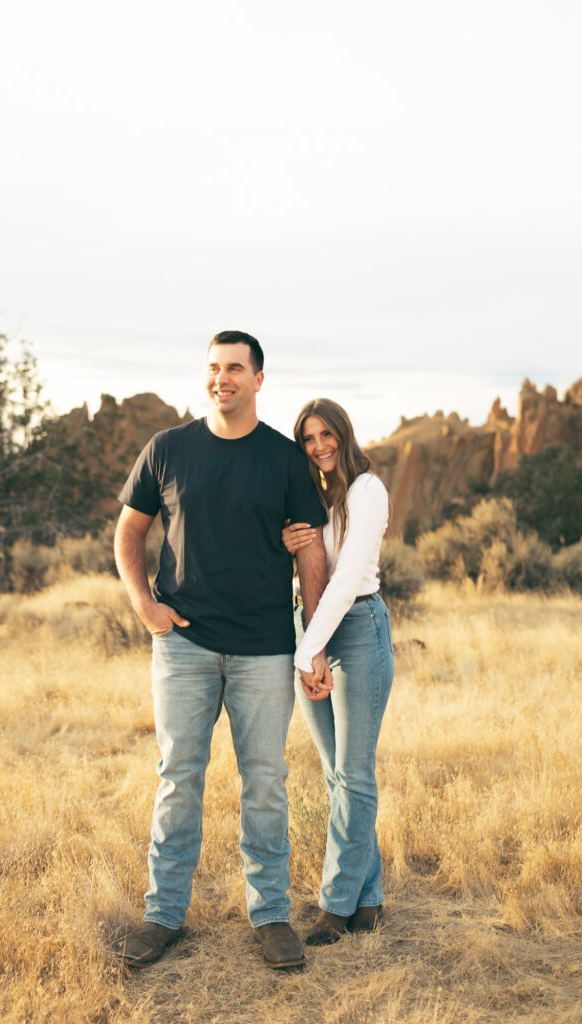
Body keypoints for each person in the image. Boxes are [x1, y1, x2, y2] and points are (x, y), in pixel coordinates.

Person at [113, 331, 331, 970]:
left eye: (235, 368)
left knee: (265, 782)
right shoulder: (168, 449)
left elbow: (312, 549)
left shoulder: (285, 459)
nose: (221, 378)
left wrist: (311, 642)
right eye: (213, 368)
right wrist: (143, 604)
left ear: (258, 379)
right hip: (184, 644)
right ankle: (164, 916)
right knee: (178, 778)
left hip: (264, 647)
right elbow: (129, 530)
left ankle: (269, 916)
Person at [282, 397, 394, 945]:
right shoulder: (314, 496)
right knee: (336, 776)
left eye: (327, 434)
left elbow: (347, 578)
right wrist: (286, 546)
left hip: (358, 629)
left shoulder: (366, 491)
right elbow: (307, 571)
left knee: (354, 773)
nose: (319, 445)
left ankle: (335, 904)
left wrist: (309, 651)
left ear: (344, 434)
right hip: (313, 630)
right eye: (309, 438)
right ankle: (368, 898)